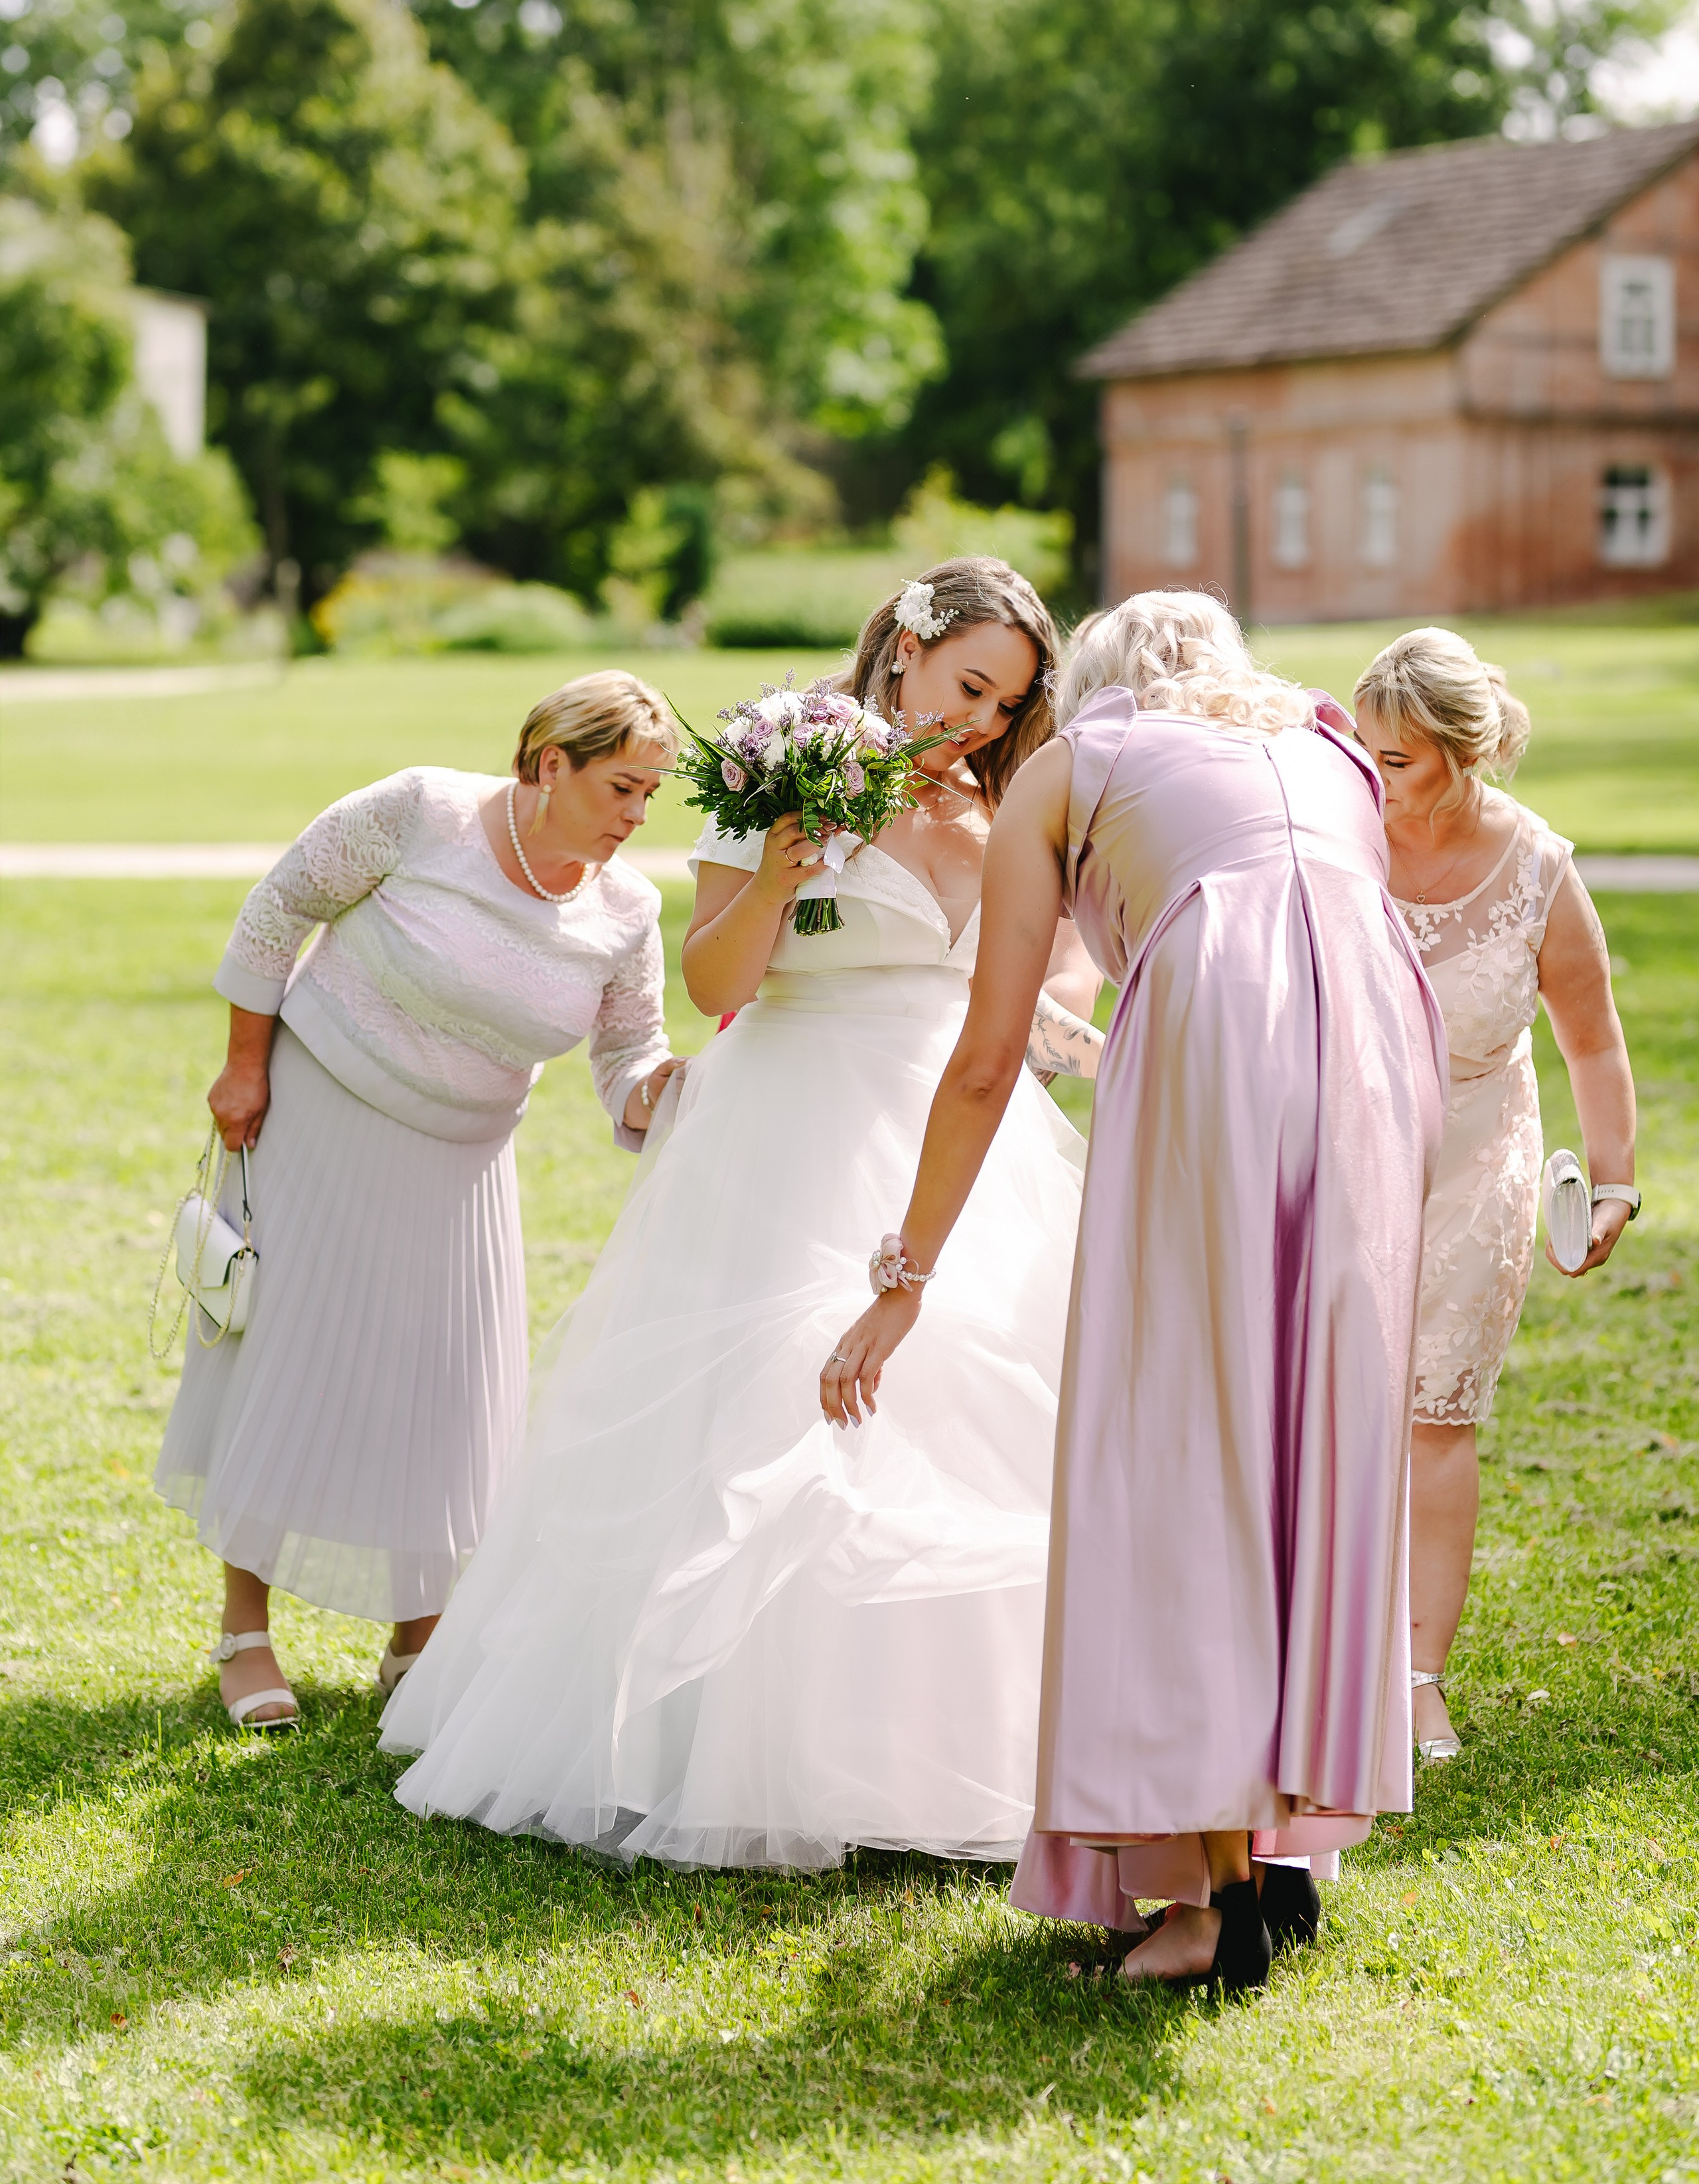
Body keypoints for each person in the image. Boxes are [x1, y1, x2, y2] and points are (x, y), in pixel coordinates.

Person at [381, 559, 1104, 1869]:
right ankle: (719, 1742)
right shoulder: (785, 766)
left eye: (1007, 704)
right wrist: (776, 871)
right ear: (904, 651)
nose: (981, 723)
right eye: (968, 687)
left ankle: (936, 1742)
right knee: (763, 1420)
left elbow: (1011, 996)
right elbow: (715, 975)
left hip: (958, 1131)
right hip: (789, 1113)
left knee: (973, 1412)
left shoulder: (1013, 804)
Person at [826, 591, 1447, 1994]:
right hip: (1376, 1057)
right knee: (1310, 1437)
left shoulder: (1073, 760)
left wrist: (903, 1272)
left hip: (1213, 1045)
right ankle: (1282, 1848)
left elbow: (988, 1055)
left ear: (1090, 686)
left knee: (1179, 1442)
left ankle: (1200, 1895)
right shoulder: (1327, 739)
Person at [155, 671, 685, 1733]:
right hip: (320, 1117)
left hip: (465, 1160)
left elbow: (629, 1051)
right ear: (550, 765)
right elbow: (279, 911)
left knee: (449, 1392)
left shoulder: (628, 909)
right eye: (623, 788)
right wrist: (244, 1067)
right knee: (290, 1359)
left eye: (650, 798)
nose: (636, 818)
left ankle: (420, 1634)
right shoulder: (419, 812)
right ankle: (243, 1629)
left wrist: (665, 1090)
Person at [1354, 628, 1637, 1765]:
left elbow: (1596, 1044)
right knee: (1333, 1407)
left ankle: (1419, 1678)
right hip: (1346, 1144)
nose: (1374, 778)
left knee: (1435, 1417)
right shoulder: (1337, 840)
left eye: (1399, 761)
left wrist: (1613, 1182)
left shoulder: (1538, 873)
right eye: (1366, 752)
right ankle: (1327, 1656)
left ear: (1464, 754)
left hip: (1479, 1151)